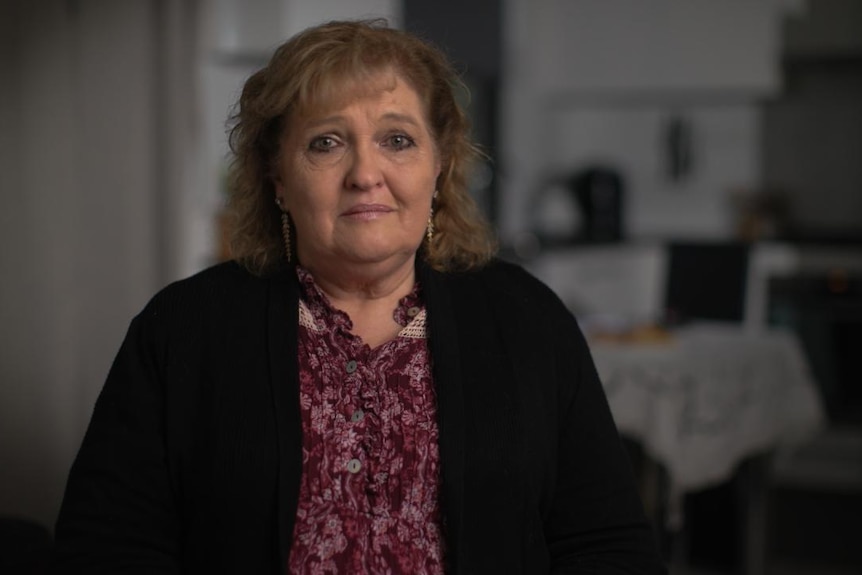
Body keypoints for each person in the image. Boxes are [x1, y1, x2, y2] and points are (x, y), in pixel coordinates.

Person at [51, 19, 666, 574]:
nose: (365, 173)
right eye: (326, 142)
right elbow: (106, 548)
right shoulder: (182, 329)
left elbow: (609, 545)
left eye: (397, 140)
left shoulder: (528, 321)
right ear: (278, 178)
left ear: (440, 166)